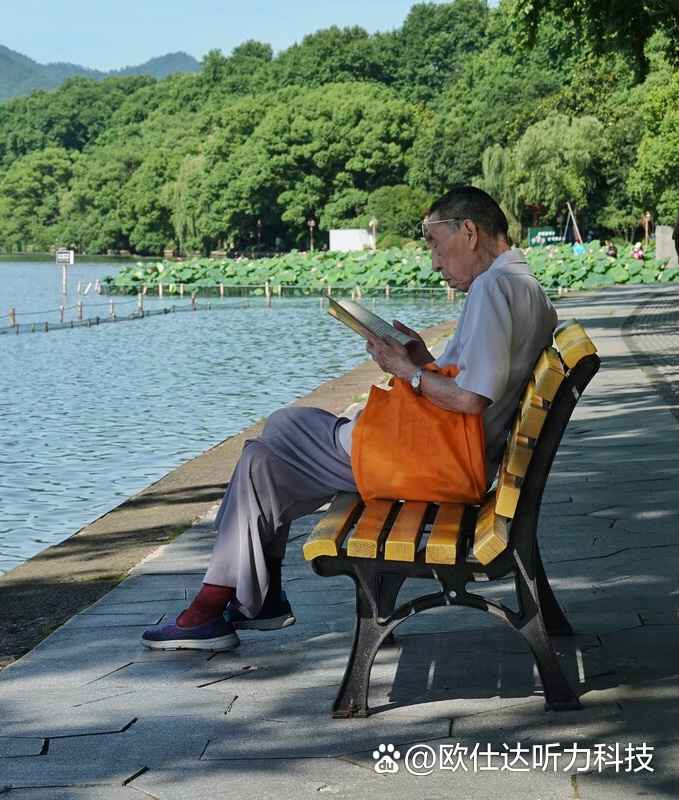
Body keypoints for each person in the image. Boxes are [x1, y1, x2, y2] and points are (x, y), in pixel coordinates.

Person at [141, 186, 558, 651]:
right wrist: (423, 358)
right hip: (454, 453)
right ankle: (237, 603)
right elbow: (479, 383)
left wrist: (407, 370)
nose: (435, 263)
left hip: (438, 461)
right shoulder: (525, 286)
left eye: (436, 246)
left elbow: (473, 398)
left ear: (469, 232)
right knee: (261, 459)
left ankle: (222, 606)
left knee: (281, 427)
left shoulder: (491, 288)